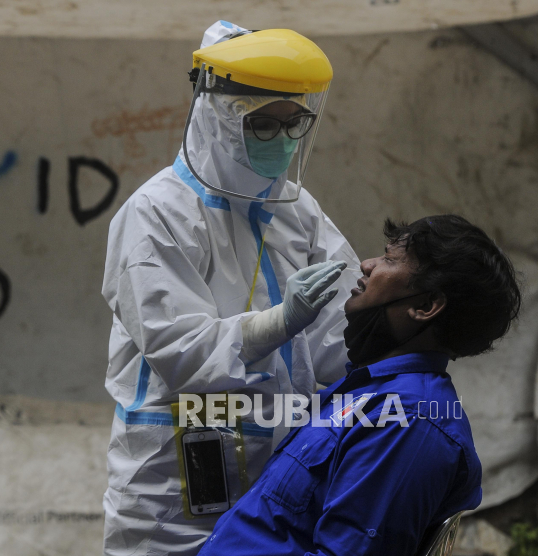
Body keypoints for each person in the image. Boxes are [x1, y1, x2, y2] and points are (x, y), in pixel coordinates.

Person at [101, 21, 360, 555]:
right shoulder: (156, 215)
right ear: (218, 118)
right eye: (264, 125)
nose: (284, 140)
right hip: (173, 486)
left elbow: (345, 332)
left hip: (278, 482)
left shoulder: (297, 211)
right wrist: (280, 323)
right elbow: (178, 351)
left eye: (296, 123)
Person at [197, 215, 522, 556]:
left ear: (425, 306)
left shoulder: (409, 423)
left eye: (390, 260)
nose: (367, 265)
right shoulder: (367, 394)